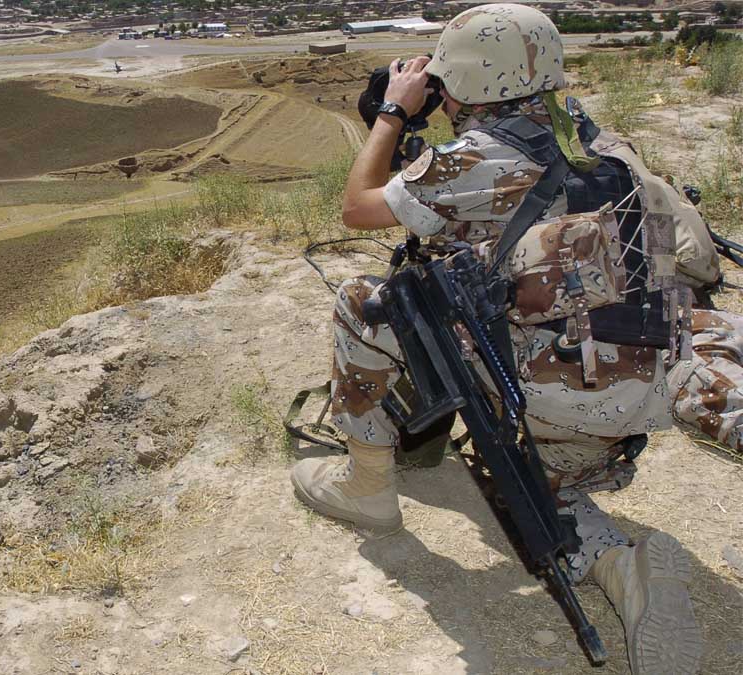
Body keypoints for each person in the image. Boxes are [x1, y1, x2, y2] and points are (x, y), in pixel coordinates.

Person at [289, 4, 739, 673]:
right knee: (533, 484)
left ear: (462, 80)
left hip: (551, 391)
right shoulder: (597, 138)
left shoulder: (476, 159)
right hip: (645, 376)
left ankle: (366, 487)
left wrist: (392, 112)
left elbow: (357, 205)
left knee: (364, 302)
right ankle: (623, 569)